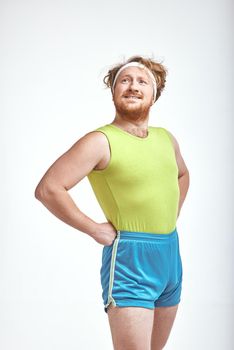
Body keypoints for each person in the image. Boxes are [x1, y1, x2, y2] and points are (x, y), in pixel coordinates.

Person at [35, 55, 190, 350]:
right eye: (125, 80)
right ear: (114, 92)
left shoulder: (166, 139)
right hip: (131, 260)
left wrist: (172, 213)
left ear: (154, 94)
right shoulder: (100, 141)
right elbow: (49, 189)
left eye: (141, 81)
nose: (132, 86)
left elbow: (183, 175)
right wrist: (94, 228)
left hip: (170, 256)